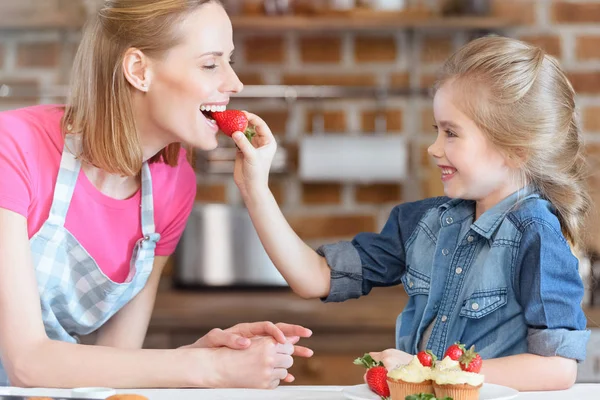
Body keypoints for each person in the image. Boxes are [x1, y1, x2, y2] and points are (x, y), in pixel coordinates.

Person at [231, 35, 591, 391]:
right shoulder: (423, 224)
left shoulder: (536, 233)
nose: (434, 148)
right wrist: (255, 188)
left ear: (515, 149)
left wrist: (428, 369)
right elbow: (313, 277)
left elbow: (556, 369)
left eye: (452, 133)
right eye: (438, 130)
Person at [0, 0, 313, 390]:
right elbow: (28, 363)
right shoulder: (12, 148)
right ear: (138, 70)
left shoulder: (173, 184)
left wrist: (196, 357)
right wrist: (203, 368)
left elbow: (117, 367)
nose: (235, 84)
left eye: (229, 61)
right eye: (211, 64)